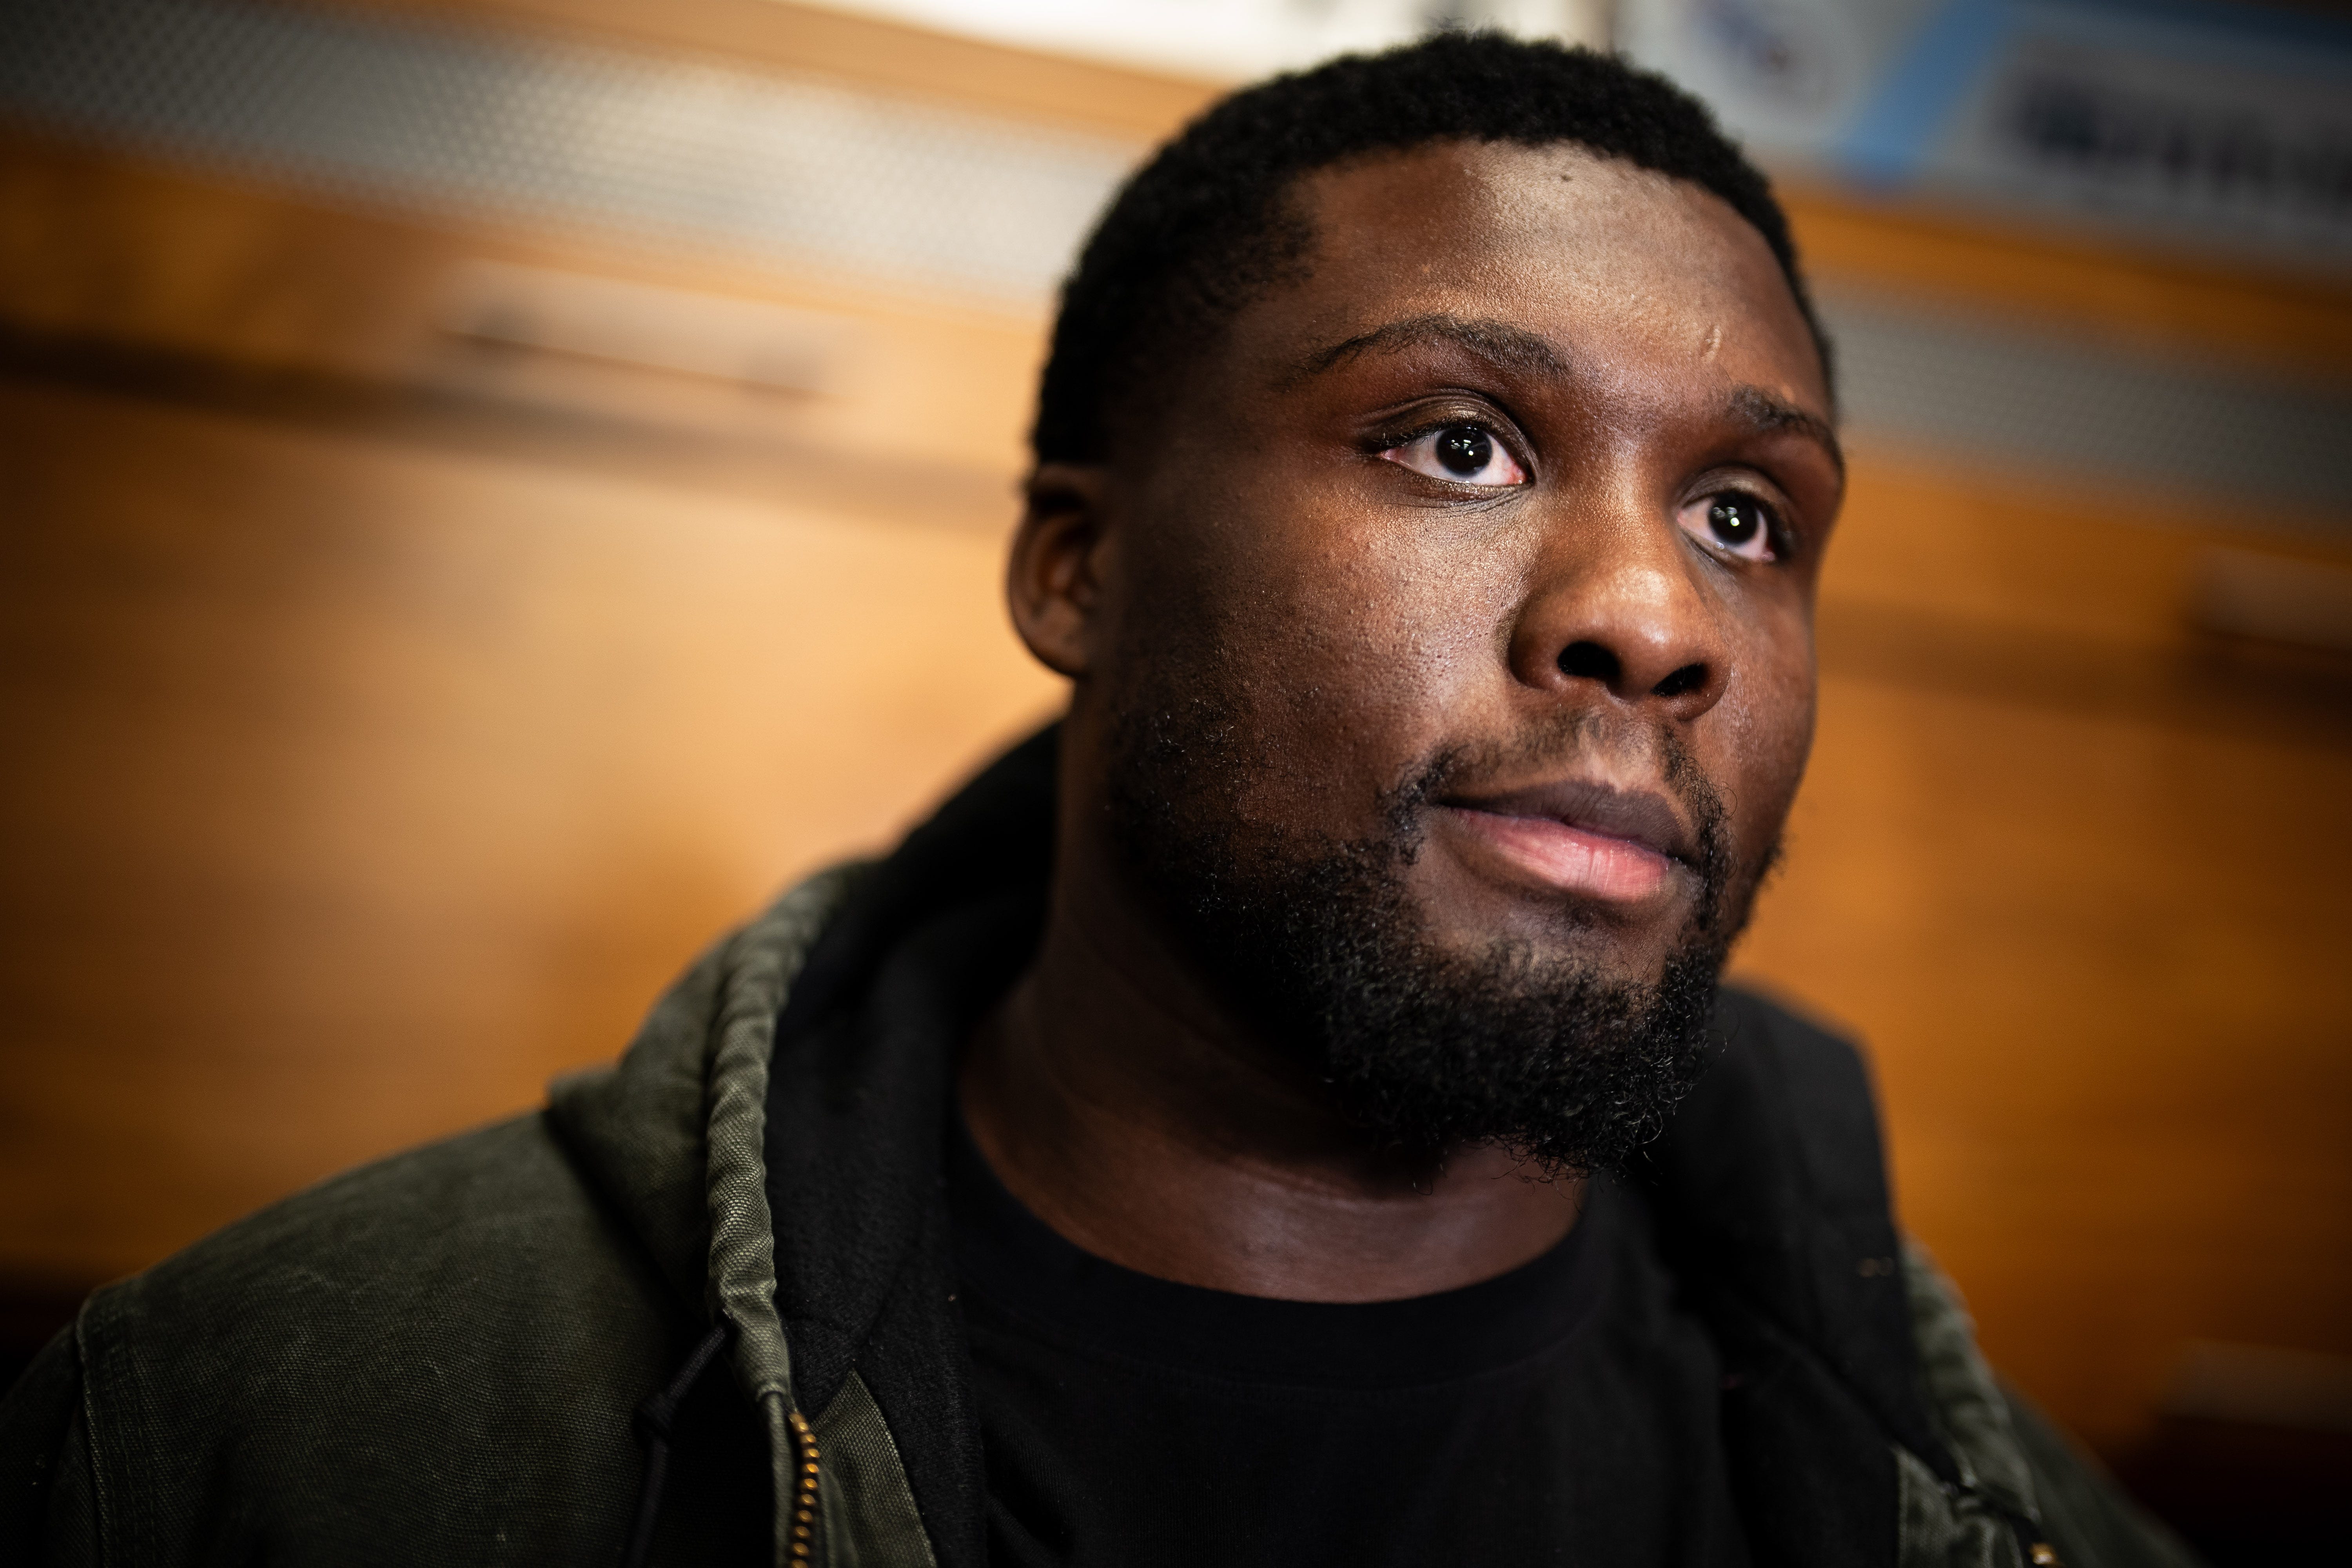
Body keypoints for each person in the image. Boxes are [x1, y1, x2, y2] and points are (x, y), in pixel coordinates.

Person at [0, 32, 2195, 1568]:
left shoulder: (1999, 1529)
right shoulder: (279, 1432)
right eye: (1459, 443)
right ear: (1081, 562)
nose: (1653, 617)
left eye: (1745, 515)